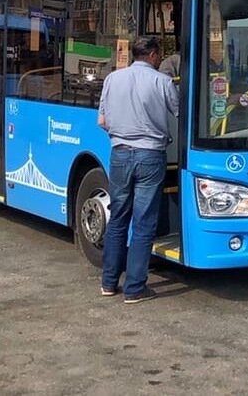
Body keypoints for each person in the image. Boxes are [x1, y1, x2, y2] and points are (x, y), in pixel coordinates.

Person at [97, 36, 179, 303]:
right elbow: (180, 113)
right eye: (159, 55)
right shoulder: (162, 81)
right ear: (153, 55)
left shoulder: (112, 79)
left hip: (120, 154)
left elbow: (102, 121)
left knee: (118, 218)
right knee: (144, 223)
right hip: (150, 155)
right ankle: (134, 288)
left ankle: (108, 283)